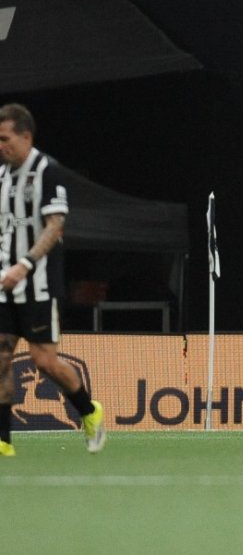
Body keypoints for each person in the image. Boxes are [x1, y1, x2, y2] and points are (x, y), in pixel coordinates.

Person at [0, 104, 105, 456]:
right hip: (4, 284)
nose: (1, 146)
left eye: (5, 139)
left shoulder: (48, 172)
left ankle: (90, 411)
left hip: (38, 284)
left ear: (26, 136)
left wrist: (24, 265)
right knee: (0, 358)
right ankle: (3, 441)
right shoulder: (2, 175)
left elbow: (55, 226)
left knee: (44, 363)